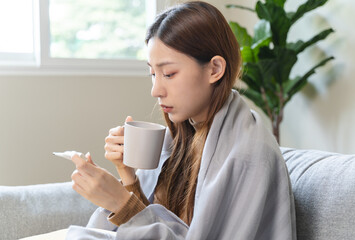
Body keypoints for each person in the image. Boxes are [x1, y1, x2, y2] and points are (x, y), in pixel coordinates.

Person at [67, 1, 297, 239]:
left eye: (168, 74)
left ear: (214, 69)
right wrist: (127, 175)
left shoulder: (246, 156)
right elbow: (161, 228)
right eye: (153, 74)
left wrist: (121, 202)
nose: (156, 90)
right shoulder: (179, 139)